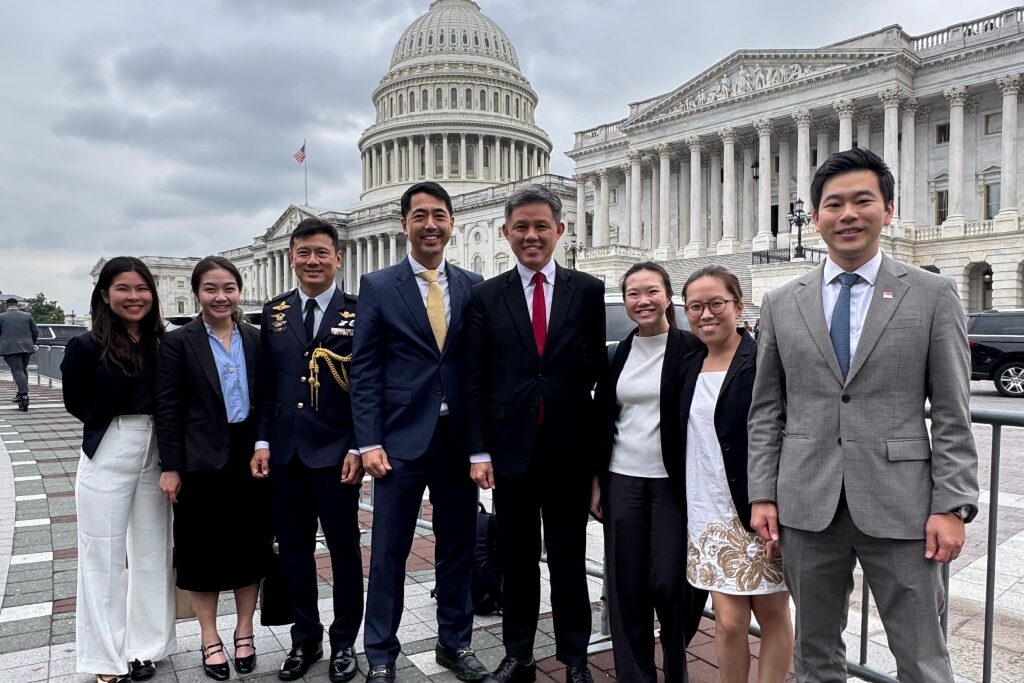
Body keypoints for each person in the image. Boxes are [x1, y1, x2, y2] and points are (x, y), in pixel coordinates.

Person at [748, 147, 979, 683]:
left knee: (922, 658)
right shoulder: (782, 302)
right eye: (834, 204)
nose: (847, 214)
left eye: (862, 201)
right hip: (807, 504)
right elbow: (766, 410)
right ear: (815, 217)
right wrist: (762, 493)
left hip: (903, 508)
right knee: (814, 655)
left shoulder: (933, 294)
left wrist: (952, 505)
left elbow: (952, 412)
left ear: (888, 210)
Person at [466, 184, 606, 683]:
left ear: (559, 230)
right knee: (517, 558)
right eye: (521, 227)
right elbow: (476, 379)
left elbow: (596, 376)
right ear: (505, 232)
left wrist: (596, 461)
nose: (531, 235)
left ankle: (575, 658)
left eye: (541, 226)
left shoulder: (587, 291)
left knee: (569, 560)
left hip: (568, 451)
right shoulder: (486, 296)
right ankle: (518, 654)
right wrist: (479, 451)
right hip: (511, 453)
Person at [351, 181, 488, 682]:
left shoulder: (473, 284)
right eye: (420, 216)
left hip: (456, 440)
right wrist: (369, 441)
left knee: (458, 547)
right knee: (389, 551)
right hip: (399, 442)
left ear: (452, 222)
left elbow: (477, 370)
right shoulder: (378, 285)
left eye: (439, 216)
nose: (431, 225)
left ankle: (455, 643)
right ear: (404, 224)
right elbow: (365, 369)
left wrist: (481, 447)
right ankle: (380, 654)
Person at [249, 217, 364, 683]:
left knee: (344, 551)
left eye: (321, 253)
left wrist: (358, 445)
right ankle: (305, 639)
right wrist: (261, 441)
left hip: (337, 455)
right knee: (294, 551)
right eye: (303, 253)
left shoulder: (359, 311)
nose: (312, 261)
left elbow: (367, 387)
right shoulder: (275, 313)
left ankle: (344, 642)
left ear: (338, 257)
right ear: (292, 258)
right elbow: (267, 386)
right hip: (287, 454)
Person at [154, 256, 271, 680]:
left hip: (249, 456)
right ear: (197, 293)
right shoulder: (178, 342)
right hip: (198, 459)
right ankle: (209, 636)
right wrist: (171, 466)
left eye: (229, 289)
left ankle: (244, 631)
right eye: (211, 289)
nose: (221, 297)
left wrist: (262, 444)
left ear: (239, 292)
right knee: (201, 550)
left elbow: (268, 399)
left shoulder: (257, 338)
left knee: (250, 547)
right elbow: (167, 409)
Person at [61, 257, 174, 683]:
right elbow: (76, 402)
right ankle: (104, 658)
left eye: (141, 288)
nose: (134, 297)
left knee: (153, 549)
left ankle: (146, 646)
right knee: (101, 553)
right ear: (105, 294)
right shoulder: (86, 345)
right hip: (110, 444)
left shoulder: (163, 342)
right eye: (123, 289)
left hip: (157, 446)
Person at [591, 262, 704, 683]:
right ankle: (635, 676)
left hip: (674, 481)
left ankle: (675, 666)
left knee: (674, 582)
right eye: (633, 294)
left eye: (652, 291)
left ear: (668, 296)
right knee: (627, 586)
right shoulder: (617, 353)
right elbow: (604, 419)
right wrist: (596, 479)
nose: (643, 301)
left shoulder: (692, 349)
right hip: (623, 477)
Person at [680, 266, 792, 683]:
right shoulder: (689, 363)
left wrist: (779, 501)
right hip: (706, 509)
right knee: (728, 622)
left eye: (716, 303)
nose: (706, 314)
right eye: (695, 307)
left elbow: (782, 431)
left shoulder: (763, 359)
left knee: (772, 611)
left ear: (738, 306)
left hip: (757, 504)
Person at [0, 297, 38, 405]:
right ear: (17, 305)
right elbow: (35, 331)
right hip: (27, 347)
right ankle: (21, 394)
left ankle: (24, 394)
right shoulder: (27, 316)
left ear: (7, 305)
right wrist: (31, 342)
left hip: (10, 348)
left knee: (17, 370)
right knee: (23, 370)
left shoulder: (1, 317)